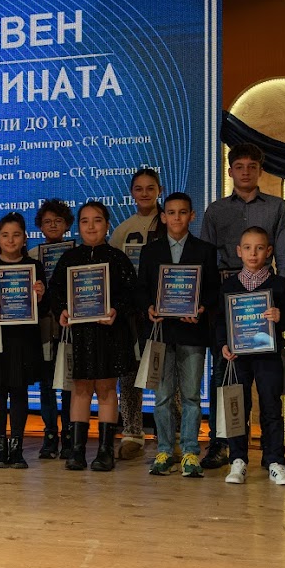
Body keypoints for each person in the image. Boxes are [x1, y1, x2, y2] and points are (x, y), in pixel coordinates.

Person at [200, 143, 285, 471]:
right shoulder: (215, 210)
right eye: (239, 166)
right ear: (230, 171)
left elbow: (284, 255)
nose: (245, 172)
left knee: (269, 389)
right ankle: (221, 445)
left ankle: (271, 454)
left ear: (260, 171)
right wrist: (212, 300)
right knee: (224, 378)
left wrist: (279, 297)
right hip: (227, 293)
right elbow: (207, 258)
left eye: (252, 166)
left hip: (266, 295)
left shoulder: (277, 207)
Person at [48, 201, 138, 471]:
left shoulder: (118, 258)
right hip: (80, 334)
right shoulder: (69, 258)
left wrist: (116, 309)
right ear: (78, 226)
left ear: (107, 225)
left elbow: (131, 294)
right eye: (85, 221)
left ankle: (105, 450)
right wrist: (62, 310)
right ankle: (77, 450)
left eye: (97, 220)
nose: (90, 226)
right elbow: (55, 292)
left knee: (107, 389)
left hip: (110, 333)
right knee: (80, 389)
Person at [139, 192, 221, 478]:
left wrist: (201, 307)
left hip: (192, 331)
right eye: (171, 212)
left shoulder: (205, 250)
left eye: (182, 212)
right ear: (163, 217)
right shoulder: (151, 251)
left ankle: (189, 452)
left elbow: (213, 290)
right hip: (161, 332)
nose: (177, 217)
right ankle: (164, 450)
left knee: (191, 397)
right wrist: (149, 307)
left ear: (192, 216)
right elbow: (142, 289)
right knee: (162, 397)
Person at [214, 227, 285, 486]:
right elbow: (220, 321)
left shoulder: (278, 284)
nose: (253, 253)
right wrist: (223, 345)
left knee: (271, 407)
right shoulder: (229, 285)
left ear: (269, 251)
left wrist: (280, 316)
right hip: (238, 357)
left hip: (268, 356)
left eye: (259, 248)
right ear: (239, 251)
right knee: (238, 406)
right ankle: (238, 460)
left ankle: (275, 461)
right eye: (247, 248)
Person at [0, 213, 46, 468]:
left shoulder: (34, 267)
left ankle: (17, 448)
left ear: (24, 238)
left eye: (16, 235)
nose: (10, 240)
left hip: (24, 340)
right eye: (5, 235)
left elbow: (45, 307)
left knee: (19, 392)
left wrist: (41, 295)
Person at [108, 167, 166, 459]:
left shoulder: (168, 223)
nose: (145, 193)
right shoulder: (122, 230)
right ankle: (132, 432)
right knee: (129, 373)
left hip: (164, 311)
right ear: (132, 193)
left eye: (150, 188)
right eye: (139, 189)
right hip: (131, 314)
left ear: (159, 191)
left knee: (166, 372)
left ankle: (170, 433)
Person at [31, 199, 74, 460]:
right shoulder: (32, 255)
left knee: (68, 382)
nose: (53, 225)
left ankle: (69, 432)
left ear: (67, 224)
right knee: (46, 383)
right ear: (40, 226)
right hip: (43, 326)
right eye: (47, 221)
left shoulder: (75, 252)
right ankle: (50, 433)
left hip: (69, 326)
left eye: (58, 221)